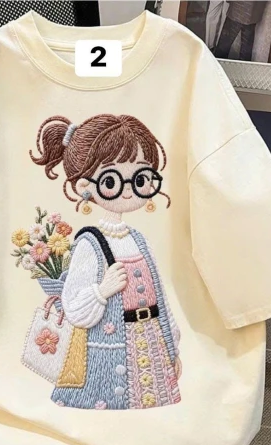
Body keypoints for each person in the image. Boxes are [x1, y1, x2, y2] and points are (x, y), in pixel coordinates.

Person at [30, 114, 182, 410]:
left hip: (152, 347)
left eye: (140, 178)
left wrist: (171, 348)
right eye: (111, 180)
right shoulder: (90, 243)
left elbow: (161, 300)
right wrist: (102, 291)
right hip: (107, 353)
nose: (128, 189)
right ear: (84, 185)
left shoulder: (139, 239)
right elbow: (73, 307)